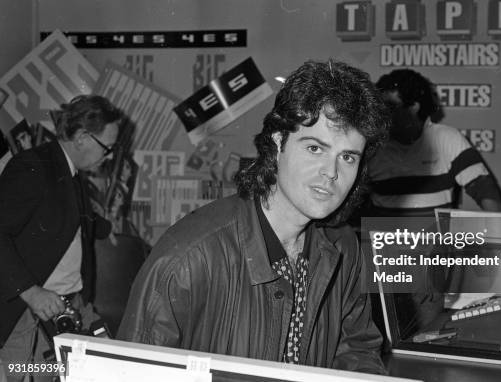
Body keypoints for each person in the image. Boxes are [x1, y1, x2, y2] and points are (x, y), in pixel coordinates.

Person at [117, 60, 389, 374]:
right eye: (315, 148)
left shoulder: (343, 248)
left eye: (347, 157)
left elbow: (357, 351)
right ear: (277, 142)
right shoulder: (188, 258)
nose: (331, 173)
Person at [0, 95, 122, 381]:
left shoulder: (68, 170)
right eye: (108, 147)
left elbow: (68, 216)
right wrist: (31, 292)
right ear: (81, 137)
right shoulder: (33, 166)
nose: (111, 155)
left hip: (67, 303)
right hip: (31, 311)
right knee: (22, 373)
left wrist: (106, 227)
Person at [368, 68, 501, 216]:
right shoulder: (372, 145)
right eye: (380, 108)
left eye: (391, 107)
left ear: (414, 107)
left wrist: (497, 231)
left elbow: (485, 191)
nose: (382, 114)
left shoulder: (447, 139)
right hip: (385, 238)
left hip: (435, 237)